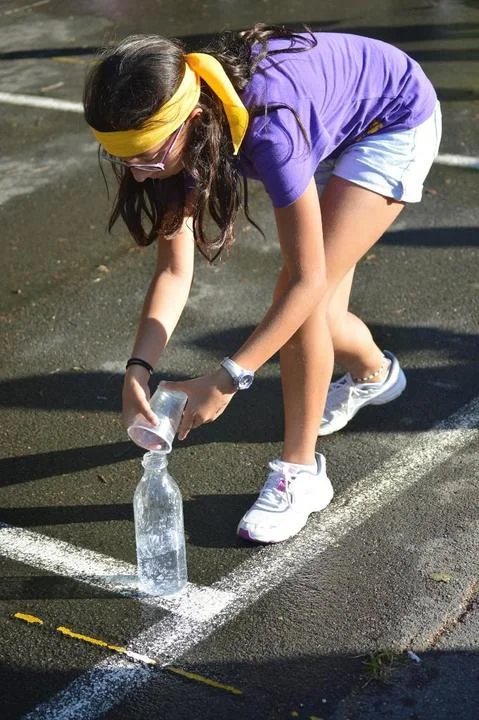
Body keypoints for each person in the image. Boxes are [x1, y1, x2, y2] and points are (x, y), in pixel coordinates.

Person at [83, 25, 442, 544]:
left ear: (194, 120)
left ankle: (302, 474)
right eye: (124, 158)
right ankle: (373, 374)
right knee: (322, 317)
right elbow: (174, 270)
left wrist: (227, 380)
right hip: (328, 116)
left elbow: (306, 281)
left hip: (392, 118)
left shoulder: (272, 130)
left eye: (148, 158)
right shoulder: (173, 120)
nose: (139, 176)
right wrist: (136, 371)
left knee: (303, 301)